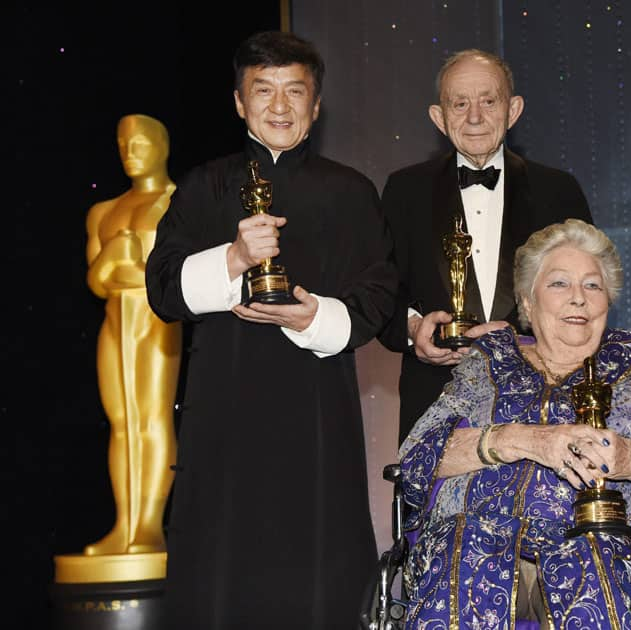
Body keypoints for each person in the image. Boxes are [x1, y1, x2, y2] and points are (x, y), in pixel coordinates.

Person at [145, 31, 397, 629]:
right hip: (222, 412)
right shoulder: (203, 186)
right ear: (239, 102)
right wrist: (231, 259)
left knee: (319, 567)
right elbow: (161, 289)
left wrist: (313, 317)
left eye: (294, 91)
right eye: (264, 91)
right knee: (220, 571)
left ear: (315, 106)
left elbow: (380, 295)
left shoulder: (352, 191)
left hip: (316, 412)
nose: (279, 106)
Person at [398, 219, 631, 629]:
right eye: (559, 284)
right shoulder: (488, 360)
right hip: (474, 539)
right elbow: (418, 454)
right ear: (527, 301)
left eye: (593, 286)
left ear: (608, 300)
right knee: (463, 557)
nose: (578, 298)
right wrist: (518, 440)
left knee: (595, 569)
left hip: (601, 545)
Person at [378, 49, 593, 445]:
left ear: (513, 110)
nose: (474, 117)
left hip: (541, 405)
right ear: (438, 118)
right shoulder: (403, 191)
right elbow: (381, 292)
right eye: (459, 104)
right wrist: (414, 330)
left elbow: (588, 299)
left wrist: (527, 341)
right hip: (436, 401)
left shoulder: (559, 192)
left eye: (488, 101)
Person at [84, 113, 181, 558]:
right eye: (123, 144)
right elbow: (97, 281)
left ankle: (149, 524)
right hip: (114, 319)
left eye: (139, 142)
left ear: (161, 146)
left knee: (152, 417)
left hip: (155, 321)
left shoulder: (177, 201)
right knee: (122, 425)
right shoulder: (103, 211)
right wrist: (112, 256)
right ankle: (124, 524)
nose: (130, 152)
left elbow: (179, 278)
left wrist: (131, 264)